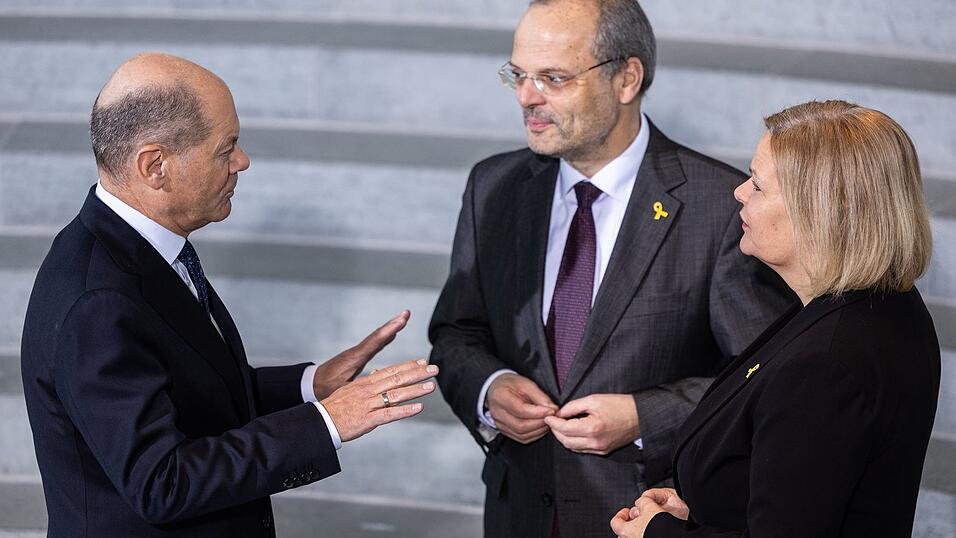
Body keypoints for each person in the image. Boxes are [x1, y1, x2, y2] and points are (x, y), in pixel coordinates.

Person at [20, 53, 439, 537]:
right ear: (156, 165)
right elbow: (163, 481)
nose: (243, 161)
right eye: (227, 147)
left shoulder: (133, 250)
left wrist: (311, 386)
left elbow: (190, 398)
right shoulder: (100, 300)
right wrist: (327, 422)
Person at [427, 0, 794, 535]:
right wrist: (490, 388)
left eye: (553, 77)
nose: (528, 97)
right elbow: (456, 333)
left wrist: (645, 417)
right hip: (518, 514)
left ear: (627, 78)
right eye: (519, 75)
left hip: (649, 518)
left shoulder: (720, 204)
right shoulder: (493, 189)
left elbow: (763, 377)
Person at [611, 100, 941, 537]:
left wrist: (657, 534)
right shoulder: (878, 307)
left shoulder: (826, 364)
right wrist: (702, 511)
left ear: (821, 210)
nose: (739, 192)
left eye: (759, 186)